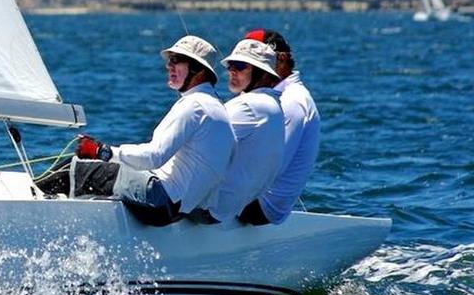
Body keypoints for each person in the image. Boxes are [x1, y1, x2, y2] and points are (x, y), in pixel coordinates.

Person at [39, 35, 235, 227]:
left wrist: (102, 151)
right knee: (103, 170)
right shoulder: (218, 108)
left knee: (78, 165)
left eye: (176, 61)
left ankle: (35, 198)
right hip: (179, 210)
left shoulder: (194, 106)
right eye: (169, 61)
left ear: (198, 70)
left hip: (160, 201)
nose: (168, 66)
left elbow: (154, 156)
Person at [237, 29, 321, 225]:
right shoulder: (270, 96)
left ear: (281, 60)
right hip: (253, 196)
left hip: (262, 208)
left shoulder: (292, 101)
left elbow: (273, 168)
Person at [201, 38, 284, 223]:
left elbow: (195, 144)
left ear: (262, 74)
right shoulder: (273, 105)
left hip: (210, 209)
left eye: (239, 66)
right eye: (230, 65)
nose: (231, 71)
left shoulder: (249, 105)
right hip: (233, 208)